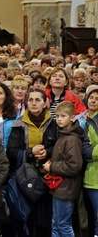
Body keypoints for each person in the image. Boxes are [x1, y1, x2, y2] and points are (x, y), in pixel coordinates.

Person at [7, 89, 58, 236]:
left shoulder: (54, 124)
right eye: (31, 100)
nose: (34, 103)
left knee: (45, 219)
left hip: (47, 178)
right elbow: (11, 151)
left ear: (45, 103)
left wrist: (47, 152)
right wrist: (31, 152)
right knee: (26, 217)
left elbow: (60, 147)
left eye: (38, 100)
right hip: (25, 178)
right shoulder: (18, 124)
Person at [43, 101, 84, 237]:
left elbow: (74, 166)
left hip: (67, 188)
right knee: (56, 223)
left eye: (63, 116)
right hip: (59, 187)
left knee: (63, 224)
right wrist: (52, 161)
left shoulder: (72, 139)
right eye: (57, 116)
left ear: (72, 117)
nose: (59, 119)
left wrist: (52, 166)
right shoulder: (63, 134)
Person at [81, 89, 98, 237]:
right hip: (92, 178)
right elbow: (85, 152)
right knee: (94, 217)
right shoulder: (87, 122)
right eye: (91, 97)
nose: (93, 100)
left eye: (97, 98)